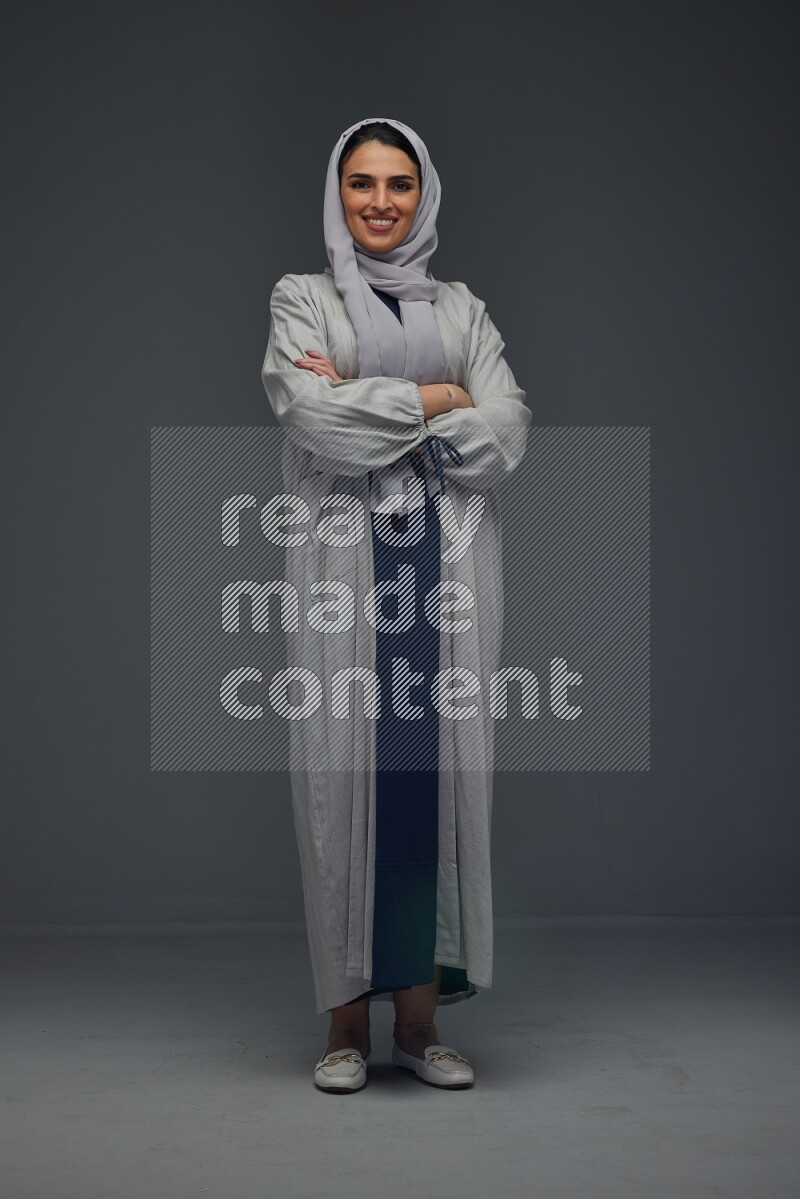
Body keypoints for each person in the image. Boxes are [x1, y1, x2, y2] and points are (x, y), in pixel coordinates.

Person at [260, 116, 531, 1092]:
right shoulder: (304, 300)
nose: (379, 202)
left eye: (399, 185)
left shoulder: (462, 310)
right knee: (343, 776)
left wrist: (382, 402)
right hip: (347, 574)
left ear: (424, 197)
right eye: (361, 183)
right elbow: (307, 414)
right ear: (338, 194)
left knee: (438, 776)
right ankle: (343, 1024)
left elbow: (507, 433)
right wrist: (434, 400)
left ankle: (417, 1024)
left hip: (445, 575)